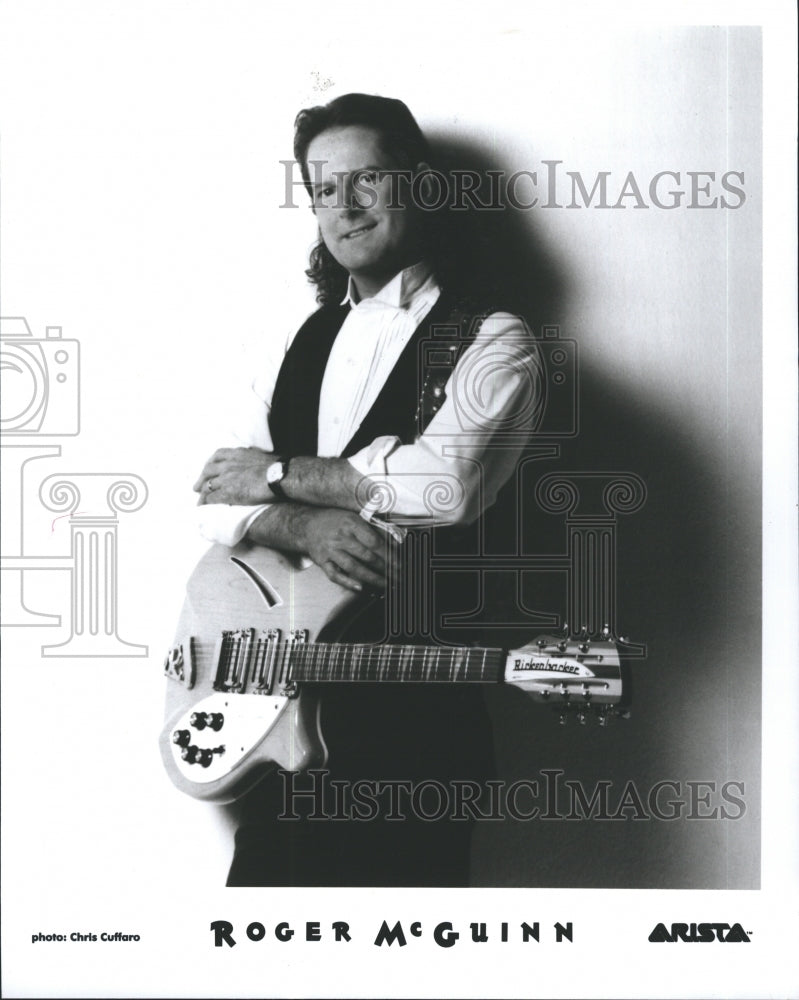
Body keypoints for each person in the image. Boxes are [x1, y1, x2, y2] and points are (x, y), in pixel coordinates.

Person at [192, 93, 542, 886]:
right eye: (321, 190)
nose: (342, 208)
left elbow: (441, 486)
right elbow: (216, 493)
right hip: (275, 711)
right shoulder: (292, 338)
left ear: (419, 186)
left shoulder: (494, 337)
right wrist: (303, 525)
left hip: (415, 726)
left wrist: (279, 476)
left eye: (366, 181)